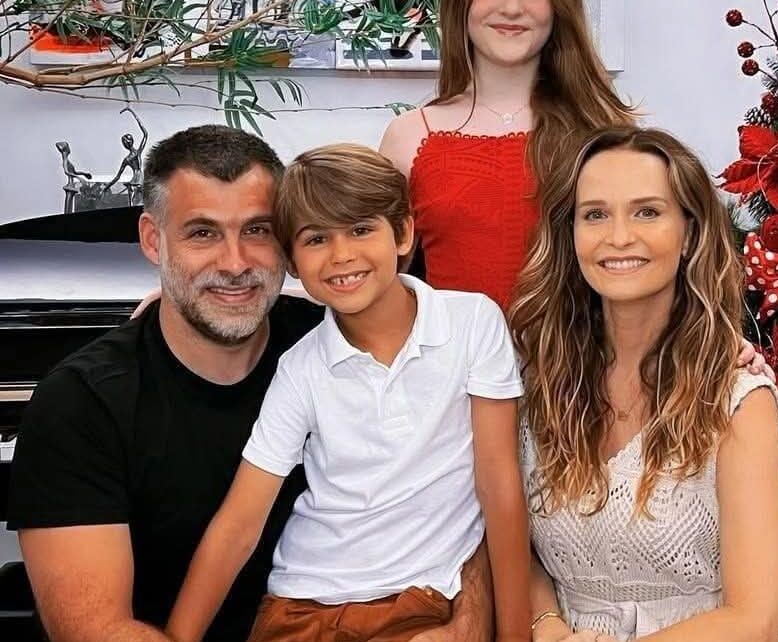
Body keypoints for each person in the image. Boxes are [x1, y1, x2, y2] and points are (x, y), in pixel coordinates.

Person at [7, 126, 491, 642]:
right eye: (202, 233)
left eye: (258, 230)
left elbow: (460, 492)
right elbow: (95, 630)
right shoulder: (82, 401)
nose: (235, 264)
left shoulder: (341, 345)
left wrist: (471, 618)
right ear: (153, 239)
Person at [165, 143, 530, 642]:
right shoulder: (301, 368)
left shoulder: (472, 324)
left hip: (419, 604)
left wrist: (515, 634)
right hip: (300, 608)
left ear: (403, 233)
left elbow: (500, 485)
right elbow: (238, 525)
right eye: (316, 239)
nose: (341, 255)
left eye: (360, 229)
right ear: (293, 261)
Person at [509, 127, 778, 642]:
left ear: (689, 233)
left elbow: (754, 620)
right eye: (595, 214)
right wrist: (548, 625)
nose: (619, 236)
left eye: (647, 212)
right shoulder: (537, 380)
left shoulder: (737, 398)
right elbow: (514, 543)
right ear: (570, 233)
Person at [379, 0, 635, 309]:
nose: (512, 8)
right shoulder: (408, 136)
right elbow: (382, 286)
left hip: (578, 340)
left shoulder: (603, 130)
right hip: (454, 341)